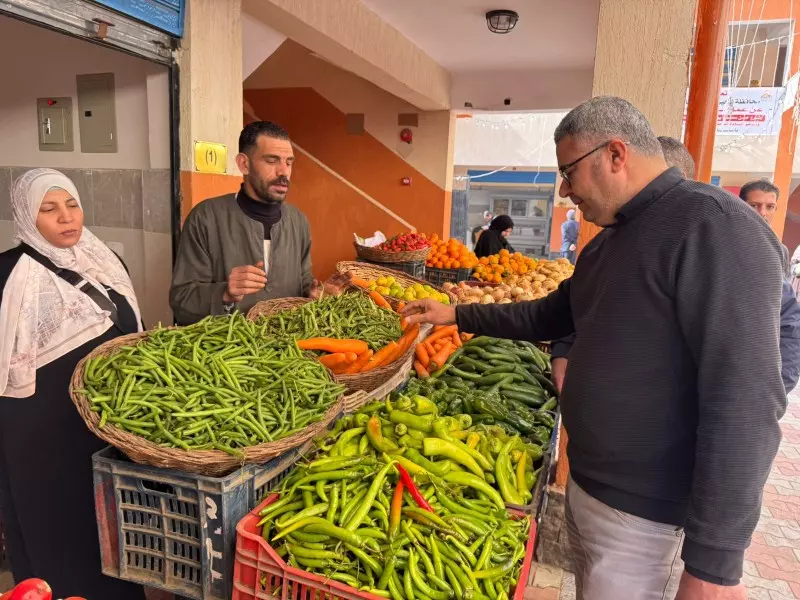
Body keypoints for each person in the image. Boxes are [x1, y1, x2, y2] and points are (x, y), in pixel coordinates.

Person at [403, 96, 784, 600]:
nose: (564, 188)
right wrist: (456, 313)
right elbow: (549, 314)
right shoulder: (608, 241)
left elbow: (748, 400)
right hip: (590, 489)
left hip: (648, 521)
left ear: (615, 155)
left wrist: (714, 567)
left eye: (569, 171)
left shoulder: (713, 226)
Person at [550, 141, 800, 395]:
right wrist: (563, 348)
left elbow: (786, 326)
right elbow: (581, 303)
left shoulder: (732, 244)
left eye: (769, 206)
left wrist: (769, 393)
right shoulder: (619, 241)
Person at [0, 169, 145, 599]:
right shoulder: (8, 275)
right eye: (48, 209)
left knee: (110, 528)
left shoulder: (104, 261)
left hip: (102, 427)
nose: (66, 218)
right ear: (27, 216)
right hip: (41, 438)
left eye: (72, 205)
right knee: (55, 530)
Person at [170, 121, 318, 325]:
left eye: (289, 162)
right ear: (244, 164)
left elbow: (304, 285)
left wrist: (316, 295)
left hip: (288, 347)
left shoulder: (298, 221)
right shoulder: (206, 217)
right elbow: (181, 300)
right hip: (225, 352)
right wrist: (224, 293)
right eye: (272, 160)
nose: (284, 172)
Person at [738, 178, 800, 391]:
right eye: (754, 205)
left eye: (769, 206)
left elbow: (786, 315)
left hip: (762, 361)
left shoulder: (779, 250)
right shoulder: (722, 243)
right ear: (740, 205)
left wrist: (784, 381)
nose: (762, 212)